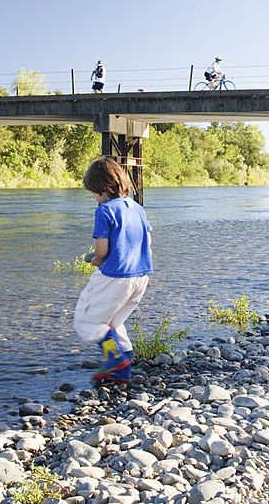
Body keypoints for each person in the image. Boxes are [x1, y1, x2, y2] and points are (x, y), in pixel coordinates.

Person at [74, 157, 152, 386]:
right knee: (114, 323)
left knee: (88, 320)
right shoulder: (137, 208)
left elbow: (102, 250)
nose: (94, 197)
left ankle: (113, 357)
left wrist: (95, 260)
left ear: (105, 188)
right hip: (140, 276)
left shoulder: (105, 211)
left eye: (95, 193)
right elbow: (147, 240)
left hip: (115, 277)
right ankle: (122, 373)